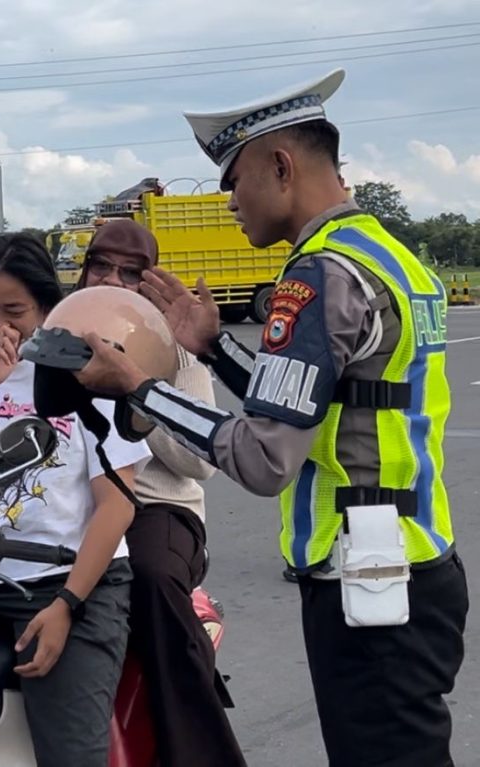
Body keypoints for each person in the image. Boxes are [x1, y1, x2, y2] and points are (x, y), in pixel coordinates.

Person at [72, 68, 468, 767]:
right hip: (415, 562)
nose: (228, 202)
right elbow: (316, 403)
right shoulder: (392, 256)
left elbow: (263, 457)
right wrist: (212, 346)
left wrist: (140, 386)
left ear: (280, 166)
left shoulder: (316, 275)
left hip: (366, 582)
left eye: (232, 182)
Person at [0, 232, 150, 766]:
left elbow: (117, 505)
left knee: (71, 752)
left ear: (45, 306)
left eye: (15, 309)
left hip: (65, 583)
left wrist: (68, 605)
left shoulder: (88, 378)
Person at [76, 219, 245, 767]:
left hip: (157, 507)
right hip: (71, 505)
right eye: (102, 266)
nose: (114, 281)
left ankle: (199, 750)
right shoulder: (58, 334)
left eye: (131, 272)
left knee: (147, 577)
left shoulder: (174, 347)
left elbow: (200, 464)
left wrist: (142, 397)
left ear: (149, 281)